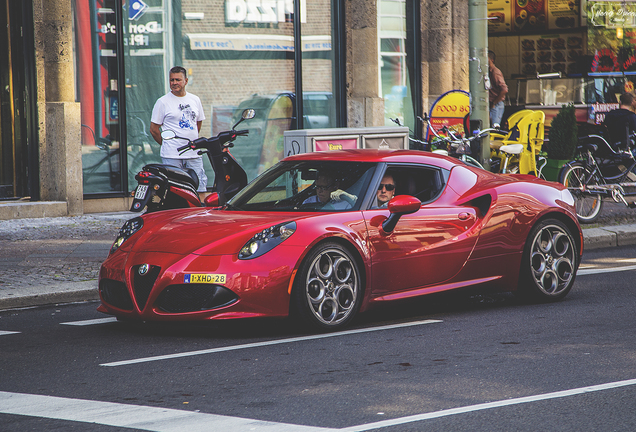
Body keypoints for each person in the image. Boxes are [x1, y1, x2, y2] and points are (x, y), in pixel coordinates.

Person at [150, 66, 207, 199]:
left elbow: (197, 123)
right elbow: (154, 129)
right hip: (172, 155)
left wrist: (190, 139)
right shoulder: (162, 102)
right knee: (173, 188)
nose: (174, 83)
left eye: (178, 80)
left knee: (199, 184)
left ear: (186, 81)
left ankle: (199, 213)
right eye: (172, 80)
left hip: (193, 153)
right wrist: (167, 144)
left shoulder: (195, 100)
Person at [488, 50, 508, 128]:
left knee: (494, 128)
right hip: (491, 103)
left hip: (496, 104)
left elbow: (504, 89)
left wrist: (494, 102)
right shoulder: (488, 72)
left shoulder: (495, 72)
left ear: (491, 60)